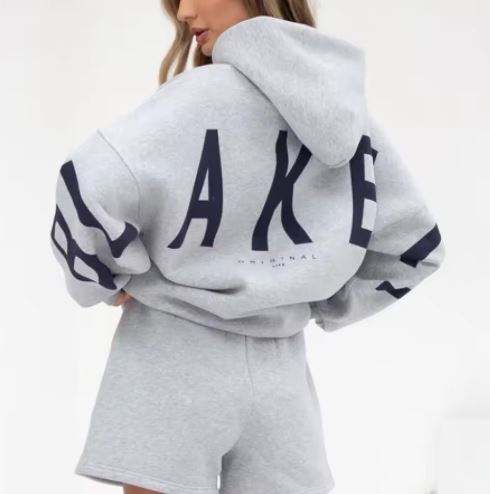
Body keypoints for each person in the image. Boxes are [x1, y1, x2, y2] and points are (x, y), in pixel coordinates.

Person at [49, 0, 446, 493]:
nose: (184, 12)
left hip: (168, 352)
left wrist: (108, 280)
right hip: (281, 369)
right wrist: (315, 296)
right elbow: (414, 248)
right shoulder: (346, 117)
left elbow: (85, 184)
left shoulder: (192, 100)